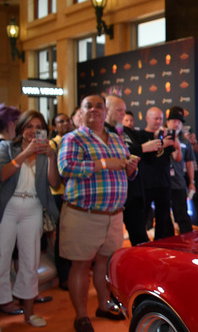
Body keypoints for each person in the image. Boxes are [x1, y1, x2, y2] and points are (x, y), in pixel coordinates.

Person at [58, 95, 139, 332]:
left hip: (114, 215)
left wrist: (130, 169)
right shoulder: (73, 138)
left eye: (99, 106)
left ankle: (103, 306)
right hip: (83, 214)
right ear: (81, 112)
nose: (94, 110)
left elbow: (125, 171)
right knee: (81, 266)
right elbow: (66, 168)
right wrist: (103, 164)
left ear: (106, 112)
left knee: (105, 263)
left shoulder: (115, 138)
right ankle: (81, 316)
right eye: (88, 106)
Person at [0, 110, 59, 327]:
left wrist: (51, 157)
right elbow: (2, 174)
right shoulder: (7, 147)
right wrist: (25, 153)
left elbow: (54, 183)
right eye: (29, 126)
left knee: (30, 260)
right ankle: (4, 303)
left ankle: (29, 313)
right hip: (8, 207)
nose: (33, 131)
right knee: (1, 258)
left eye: (38, 127)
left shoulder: (46, 152)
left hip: (33, 207)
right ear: (21, 128)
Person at [104, 96, 152, 246]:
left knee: (140, 237)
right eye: (119, 110)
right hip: (114, 194)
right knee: (111, 243)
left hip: (135, 191)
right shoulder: (102, 133)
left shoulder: (126, 131)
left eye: (124, 110)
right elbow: (116, 155)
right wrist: (142, 148)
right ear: (107, 110)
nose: (123, 114)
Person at [139, 107, 180, 240]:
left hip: (164, 183)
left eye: (161, 119)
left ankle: (160, 243)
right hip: (146, 183)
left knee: (163, 218)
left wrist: (175, 141)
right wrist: (160, 142)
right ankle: (141, 243)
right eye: (155, 118)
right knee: (143, 216)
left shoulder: (166, 136)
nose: (158, 121)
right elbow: (145, 156)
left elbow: (177, 157)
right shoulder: (140, 136)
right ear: (147, 118)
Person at [49, 112, 73, 290]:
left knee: (71, 236)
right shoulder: (53, 143)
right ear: (54, 126)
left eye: (67, 120)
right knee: (61, 237)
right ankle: (63, 276)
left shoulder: (73, 141)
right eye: (61, 121)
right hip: (57, 193)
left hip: (72, 194)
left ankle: (71, 272)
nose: (65, 124)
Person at [166, 107, 195, 233]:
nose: (176, 124)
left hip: (178, 181)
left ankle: (188, 239)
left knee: (182, 213)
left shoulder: (184, 141)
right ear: (167, 122)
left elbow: (189, 162)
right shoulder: (160, 137)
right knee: (164, 215)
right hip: (163, 182)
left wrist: (192, 182)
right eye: (174, 121)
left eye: (179, 122)